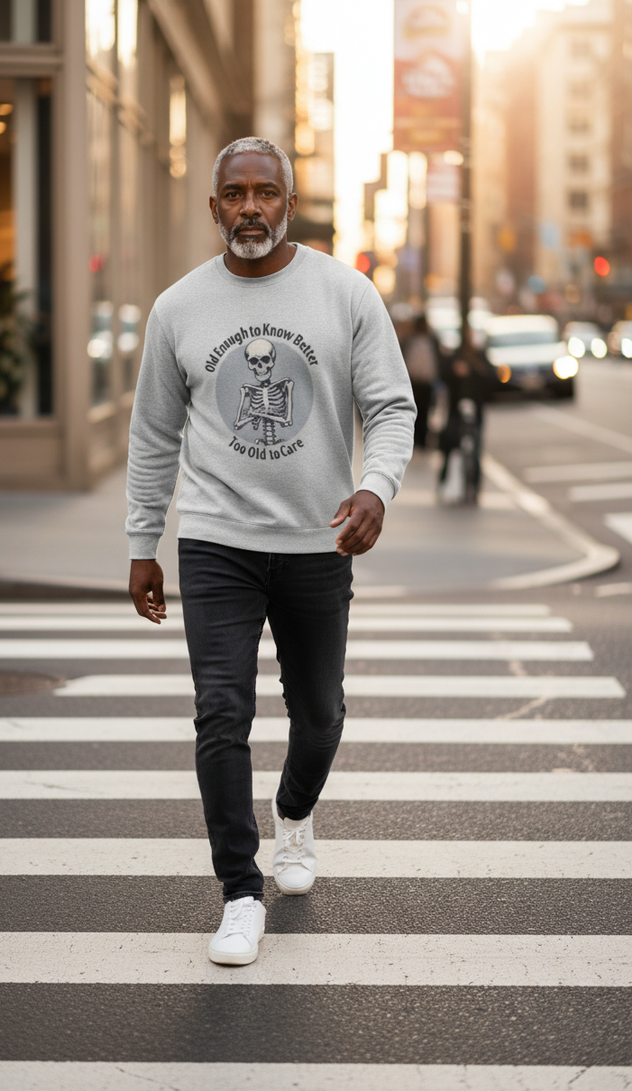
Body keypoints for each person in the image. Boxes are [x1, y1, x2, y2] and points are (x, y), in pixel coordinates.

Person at [126, 137, 415, 966]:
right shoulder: (178, 308)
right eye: (234, 193)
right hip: (216, 539)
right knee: (222, 711)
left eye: (265, 191)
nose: (250, 206)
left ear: (289, 201)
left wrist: (377, 488)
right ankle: (239, 891)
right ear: (213, 206)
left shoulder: (343, 292)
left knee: (319, 712)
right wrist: (144, 540)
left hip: (318, 537)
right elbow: (152, 434)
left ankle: (294, 813)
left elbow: (391, 406)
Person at [438, 330, 495, 502]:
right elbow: (443, 374)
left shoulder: (481, 358)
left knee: (475, 448)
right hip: (455, 409)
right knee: (449, 445)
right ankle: (443, 481)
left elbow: (492, 380)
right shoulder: (454, 357)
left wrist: (475, 372)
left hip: (475, 410)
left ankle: (474, 488)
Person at [401, 313, 439, 448]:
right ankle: (418, 439)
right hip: (416, 382)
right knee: (420, 411)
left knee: (422, 410)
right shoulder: (411, 340)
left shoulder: (429, 340)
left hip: (421, 382)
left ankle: (420, 439)